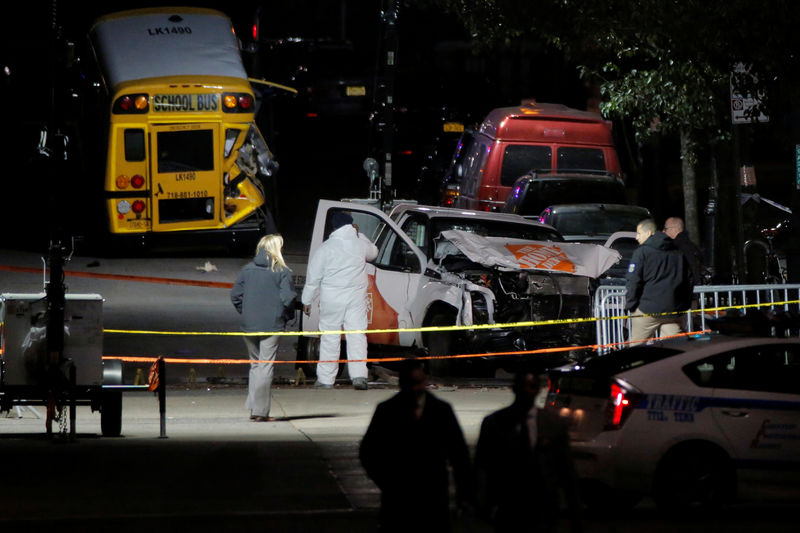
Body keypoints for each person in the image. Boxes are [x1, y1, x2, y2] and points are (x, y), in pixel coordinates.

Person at [359, 359, 473, 532]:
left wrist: (463, 494)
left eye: (418, 383)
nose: (415, 389)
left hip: (433, 497)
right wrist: (387, 482)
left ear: (425, 381)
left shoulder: (441, 411)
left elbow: (459, 454)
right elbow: (368, 451)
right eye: (411, 384)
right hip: (399, 498)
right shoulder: (387, 411)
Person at [475, 372, 581, 533]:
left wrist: (574, 513)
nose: (527, 391)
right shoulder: (495, 423)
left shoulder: (552, 423)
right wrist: (482, 504)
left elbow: (566, 469)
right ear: (514, 389)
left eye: (531, 387)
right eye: (523, 386)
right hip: (508, 505)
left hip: (543, 507)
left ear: (538, 390)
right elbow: (482, 465)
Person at [301, 210, 378, 390]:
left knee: (330, 337)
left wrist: (307, 301)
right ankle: (359, 376)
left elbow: (313, 277)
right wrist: (362, 235)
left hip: (331, 299)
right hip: (355, 299)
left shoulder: (326, 247)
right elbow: (374, 253)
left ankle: (326, 379)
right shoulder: (359, 244)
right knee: (357, 336)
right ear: (351, 226)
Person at [231, 234, 297, 422]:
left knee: (255, 366)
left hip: (248, 326)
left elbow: (235, 295)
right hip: (271, 326)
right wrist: (287, 315)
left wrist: (245, 312)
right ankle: (261, 411)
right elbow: (289, 298)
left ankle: (253, 408)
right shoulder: (282, 271)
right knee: (265, 367)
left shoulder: (247, 269)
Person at [626, 218, 694, 345]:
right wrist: (683, 305)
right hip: (672, 310)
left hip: (647, 309)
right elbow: (689, 279)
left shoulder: (642, 252)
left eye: (639, 233)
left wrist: (631, 304)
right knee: (675, 349)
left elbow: (633, 280)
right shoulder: (678, 253)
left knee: (636, 349)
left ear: (649, 233)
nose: (636, 237)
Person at [663, 216, 704, 284]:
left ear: (674, 229)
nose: (663, 231)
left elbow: (693, 269)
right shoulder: (691, 246)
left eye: (665, 228)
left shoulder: (679, 247)